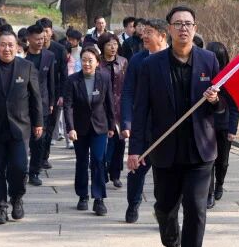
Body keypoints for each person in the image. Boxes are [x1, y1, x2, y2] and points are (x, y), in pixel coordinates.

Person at [127, 6, 222, 247]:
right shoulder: (151, 65)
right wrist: (135, 150)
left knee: (196, 209)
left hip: (200, 151)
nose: (183, 28)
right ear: (168, 29)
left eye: (188, 24)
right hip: (165, 150)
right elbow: (141, 109)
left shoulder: (209, 61)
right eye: (178, 23)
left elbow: (223, 107)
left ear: (195, 28)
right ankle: (172, 242)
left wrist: (215, 101)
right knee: (165, 208)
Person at [0, 31, 43, 225]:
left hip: (20, 128)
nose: (7, 49)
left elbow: (36, 98)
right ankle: (1, 208)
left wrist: (38, 123)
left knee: (19, 167)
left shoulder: (27, 67)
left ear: (17, 46)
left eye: (11, 45)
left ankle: (17, 198)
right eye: (3, 45)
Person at [120, 17, 168, 223]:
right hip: (142, 125)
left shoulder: (173, 58)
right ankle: (133, 203)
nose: (144, 36)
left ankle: (164, 211)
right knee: (137, 168)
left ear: (162, 36)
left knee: (166, 174)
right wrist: (126, 121)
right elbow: (128, 92)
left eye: (149, 32)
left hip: (167, 126)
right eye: (144, 32)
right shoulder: (137, 60)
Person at [64, 46, 115, 215]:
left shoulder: (104, 77)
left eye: (90, 60)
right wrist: (70, 128)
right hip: (79, 128)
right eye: (84, 60)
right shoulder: (72, 80)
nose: (86, 64)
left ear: (97, 62)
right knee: (82, 161)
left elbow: (109, 103)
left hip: (100, 126)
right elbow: (68, 106)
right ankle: (82, 195)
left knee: (98, 160)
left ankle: (99, 198)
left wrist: (112, 125)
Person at [205, 42, 239, 207]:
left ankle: (219, 184)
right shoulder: (204, 75)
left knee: (222, 161)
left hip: (224, 126)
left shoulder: (230, 77)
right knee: (208, 161)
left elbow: (234, 107)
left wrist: (232, 129)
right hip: (206, 126)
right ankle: (209, 193)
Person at [22, 24, 57, 186]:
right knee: (23, 140)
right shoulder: (22, 57)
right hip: (22, 104)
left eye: (42, 38)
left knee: (39, 139)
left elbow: (51, 81)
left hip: (42, 103)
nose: (40, 42)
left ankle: (34, 172)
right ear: (29, 39)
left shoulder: (49, 56)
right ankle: (21, 170)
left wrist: (51, 102)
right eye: (37, 39)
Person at [96, 32, 128, 188]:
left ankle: (116, 174)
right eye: (109, 44)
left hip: (120, 107)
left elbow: (128, 85)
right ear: (102, 46)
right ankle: (102, 170)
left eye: (115, 44)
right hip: (101, 107)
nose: (113, 47)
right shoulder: (97, 63)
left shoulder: (123, 62)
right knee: (104, 143)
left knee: (119, 143)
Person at [38, 17, 69, 156]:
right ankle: (36, 154)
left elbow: (64, 75)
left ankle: (44, 156)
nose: (44, 35)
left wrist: (62, 95)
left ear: (51, 32)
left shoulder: (59, 50)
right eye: (41, 31)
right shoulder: (33, 49)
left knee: (50, 126)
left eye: (46, 31)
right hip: (36, 93)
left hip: (54, 93)